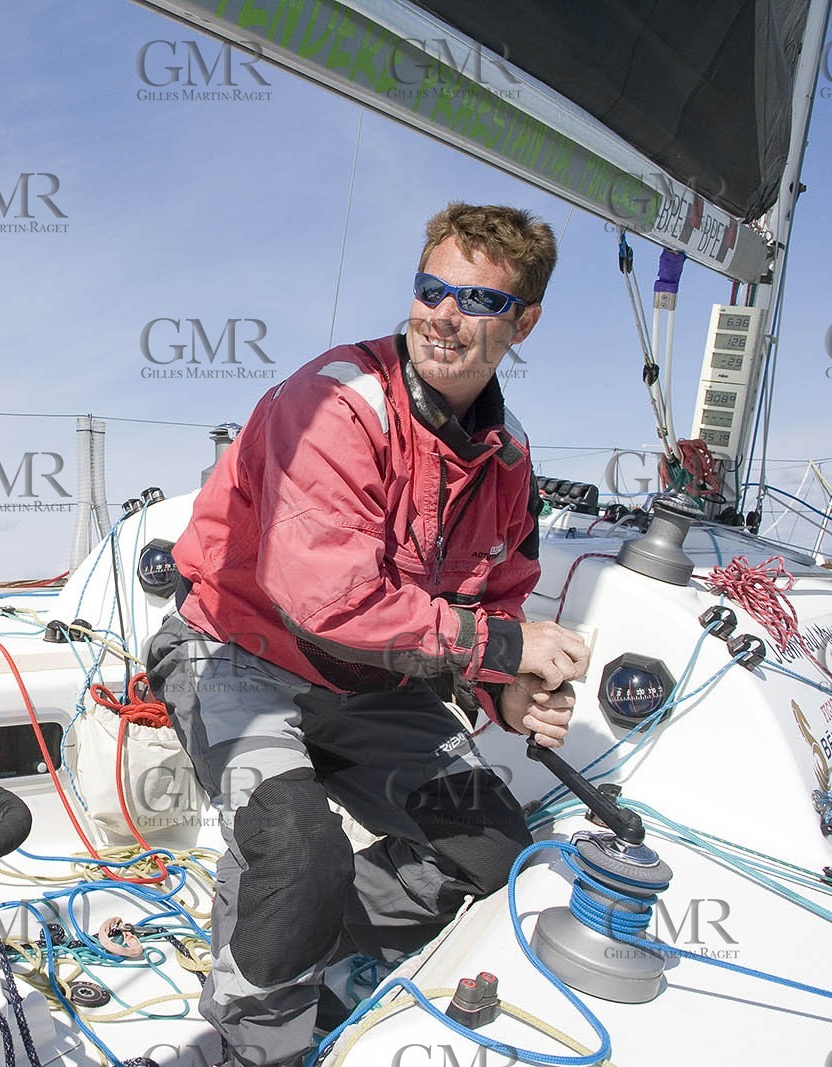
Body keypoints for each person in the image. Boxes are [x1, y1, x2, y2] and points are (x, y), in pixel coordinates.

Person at [145, 204, 590, 1067]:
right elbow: (328, 599)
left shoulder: (508, 458)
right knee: (298, 851)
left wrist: (511, 689)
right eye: (431, 289)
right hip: (238, 653)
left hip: (372, 684)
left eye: (478, 301)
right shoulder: (335, 402)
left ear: (524, 321)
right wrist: (503, 652)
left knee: (499, 848)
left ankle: (320, 948)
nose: (443, 316)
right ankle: (254, 1042)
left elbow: (497, 599)